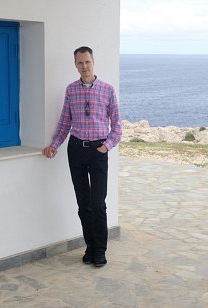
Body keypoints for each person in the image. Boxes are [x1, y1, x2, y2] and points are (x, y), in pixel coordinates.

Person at [43, 46, 122, 267]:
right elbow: (65, 122)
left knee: (98, 204)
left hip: (98, 151)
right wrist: (55, 145)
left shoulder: (107, 90)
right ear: (75, 65)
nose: (84, 66)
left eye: (87, 62)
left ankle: (100, 250)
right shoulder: (71, 90)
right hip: (76, 150)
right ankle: (89, 246)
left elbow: (117, 125)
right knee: (83, 203)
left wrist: (106, 147)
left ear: (93, 62)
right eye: (80, 63)